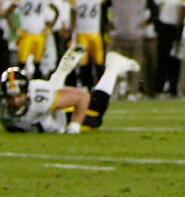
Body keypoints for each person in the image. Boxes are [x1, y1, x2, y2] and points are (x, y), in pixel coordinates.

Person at [0, 45, 138, 133]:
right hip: (46, 114)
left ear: (27, 92)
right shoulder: (3, 105)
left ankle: (113, 67)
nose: (15, 101)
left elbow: (82, 97)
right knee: (52, 95)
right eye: (10, 97)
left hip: (61, 117)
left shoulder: (38, 98)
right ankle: (60, 73)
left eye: (19, 96)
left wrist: (74, 125)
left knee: (95, 116)